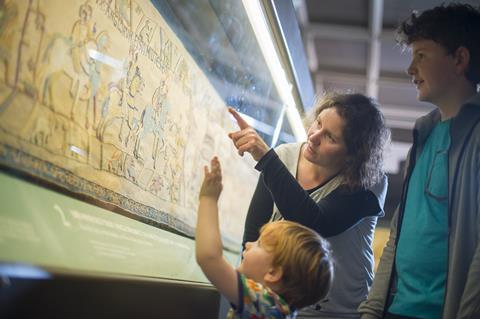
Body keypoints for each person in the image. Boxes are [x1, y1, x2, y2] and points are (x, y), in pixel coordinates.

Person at [358, 3, 480, 319]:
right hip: (394, 310)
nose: (411, 69)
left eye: (421, 56)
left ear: (460, 59)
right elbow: (397, 235)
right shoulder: (423, 135)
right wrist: (373, 309)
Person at [228, 92, 390, 318]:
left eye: (330, 137)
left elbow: (315, 223)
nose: (313, 136)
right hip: (279, 303)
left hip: (339, 312)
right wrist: (249, 293)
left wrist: (266, 159)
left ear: (353, 156)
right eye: (318, 123)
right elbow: (254, 234)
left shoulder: (369, 182)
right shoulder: (284, 156)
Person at [196, 157, 334, 319]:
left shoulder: (266, 305)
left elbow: (209, 257)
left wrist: (208, 199)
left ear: (273, 273)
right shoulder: (282, 310)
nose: (248, 244)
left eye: (259, 244)